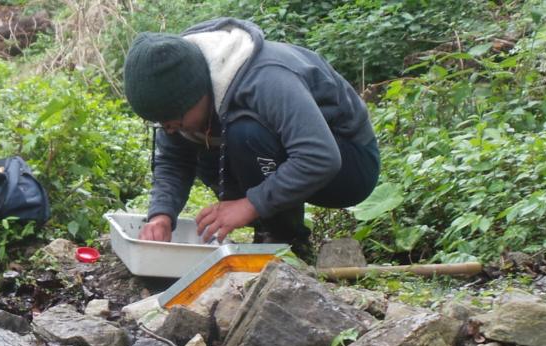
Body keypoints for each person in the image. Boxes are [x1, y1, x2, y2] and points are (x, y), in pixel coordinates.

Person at [121, 17, 380, 261]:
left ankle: (286, 241)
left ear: (198, 92)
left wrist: (249, 204)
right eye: (161, 123)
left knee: (245, 132)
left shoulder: (267, 78)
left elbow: (320, 157)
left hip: (349, 164)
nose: (168, 128)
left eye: (173, 119)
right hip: (295, 156)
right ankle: (267, 229)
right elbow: (173, 160)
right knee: (199, 139)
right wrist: (161, 216)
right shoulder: (177, 91)